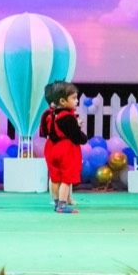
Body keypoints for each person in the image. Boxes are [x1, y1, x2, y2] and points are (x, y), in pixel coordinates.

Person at [40, 81, 87, 214]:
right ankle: (62, 204)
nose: (77, 101)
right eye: (74, 98)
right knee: (66, 178)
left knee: (55, 177)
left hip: (50, 148)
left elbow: (44, 131)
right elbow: (77, 136)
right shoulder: (68, 117)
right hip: (66, 149)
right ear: (62, 101)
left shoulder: (49, 114)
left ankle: (56, 203)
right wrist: (82, 134)